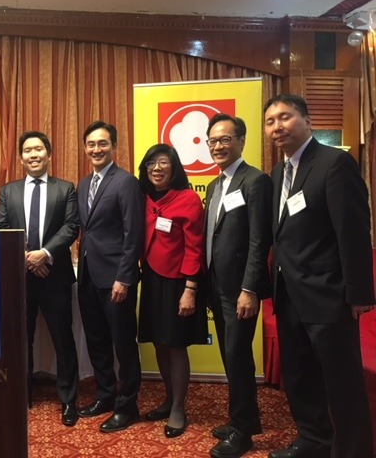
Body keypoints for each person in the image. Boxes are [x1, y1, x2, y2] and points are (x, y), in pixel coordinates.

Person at [264, 94, 375, 458]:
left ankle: (353, 450)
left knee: (342, 382)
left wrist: (359, 294)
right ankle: (314, 440)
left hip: (328, 294)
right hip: (289, 293)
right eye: (270, 121)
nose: (277, 126)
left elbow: (353, 232)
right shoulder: (278, 172)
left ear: (307, 120)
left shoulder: (334, 163)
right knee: (300, 376)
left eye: (285, 117)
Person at [0, 131, 80, 426]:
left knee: (63, 339)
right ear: (21, 157)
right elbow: (1, 227)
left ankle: (69, 398)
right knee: (20, 340)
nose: (33, 154)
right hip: (20, 279)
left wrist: (44, 254)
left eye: (39, 149)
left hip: (55, 276)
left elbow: (71, 227)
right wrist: (27, 259)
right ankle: (21, 394)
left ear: (49, 154)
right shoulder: (8, 191)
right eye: (28, 150)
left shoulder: (65, 188)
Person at [203, 114, 272, 458]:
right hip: (216, 286)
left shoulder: (255, 180)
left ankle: (242, 433)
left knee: (238, 357)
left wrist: (250, 288)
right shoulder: (215, 184)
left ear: (241, 141)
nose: (217, 146)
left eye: (225, 139)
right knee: (230, 356)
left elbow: (260, 240)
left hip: (240, 289)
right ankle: (243, 419)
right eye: (212, 141)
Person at [76, 121, 143, 433]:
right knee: (97, 340)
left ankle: (127, 406)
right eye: (91, 144)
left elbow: (133, 234)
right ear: (85, 148)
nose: (96, 149)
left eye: (102, 143)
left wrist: (124, 278)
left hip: (116, 278)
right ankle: (105, 395)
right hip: (88, 275)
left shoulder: (126, 182)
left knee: (123, 343)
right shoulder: (83, 184)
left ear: (114, 146)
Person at [137, 143, 207, 439]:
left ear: (174, 167)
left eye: (163, 162)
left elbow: (195, 246)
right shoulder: (143, 197)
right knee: (159, 342)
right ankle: (168, 399)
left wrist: (190, 288)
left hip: (179, 281)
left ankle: (179, 407)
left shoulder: (188, 199)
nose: (157, 168)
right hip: (151, 278)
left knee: (176, 345)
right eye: (151, 163)